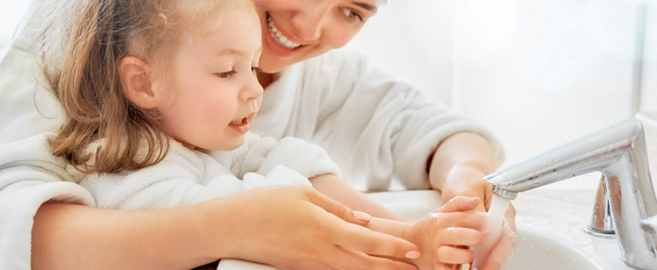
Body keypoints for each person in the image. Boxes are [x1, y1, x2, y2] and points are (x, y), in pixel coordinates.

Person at [0, 0, 516, 270]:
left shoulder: (320, 79)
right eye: (227, 71)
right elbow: (15, 227)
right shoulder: (81, 37)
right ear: (141, 82)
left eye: (352, 10)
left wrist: (462, 195)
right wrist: (233, 226)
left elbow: (433, 131)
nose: (310, 25)